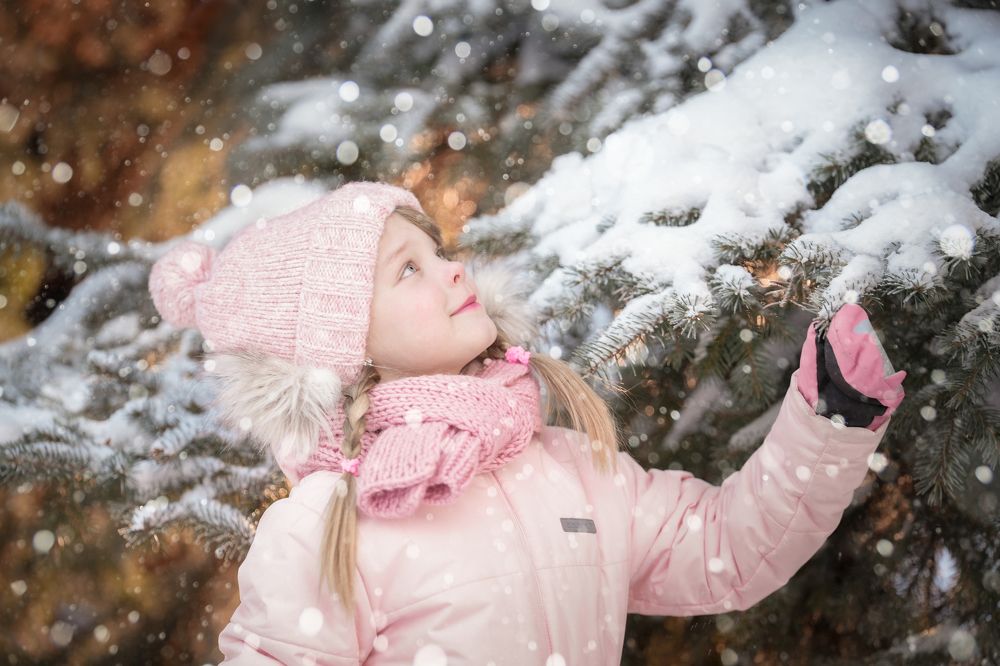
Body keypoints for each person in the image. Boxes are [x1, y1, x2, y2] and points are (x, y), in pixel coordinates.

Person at [147, 181, 907, 665]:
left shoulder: (566, 466)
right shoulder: (329, 524)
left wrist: (830, 420)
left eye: (437, 252)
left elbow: (724, 552)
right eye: (406, 269)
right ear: (342, 348)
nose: (452, 269)